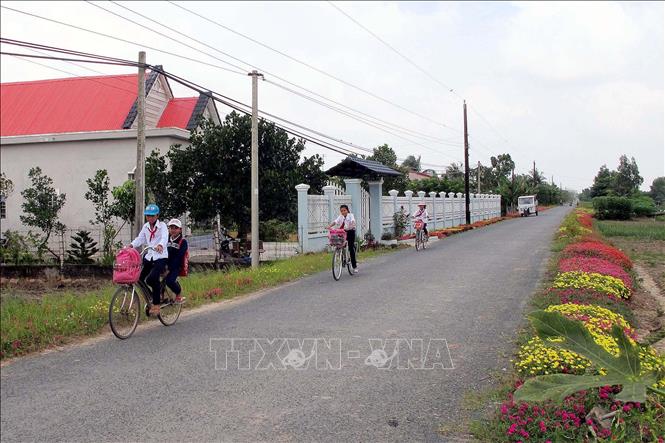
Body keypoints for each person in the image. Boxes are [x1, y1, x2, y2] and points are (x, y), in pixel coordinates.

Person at [130, 203, 168, 316]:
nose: (150, 218)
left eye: (152, 215)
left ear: (157, 216)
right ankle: (152, 295)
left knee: (151, 279)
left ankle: (156, 304)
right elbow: (140, 238)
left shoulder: (162, 226)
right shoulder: (146, 226)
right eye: (148, 216)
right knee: (139, 278)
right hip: (149, 256)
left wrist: (161, 245)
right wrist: (131, 246)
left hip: (160, 256)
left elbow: (165, 237)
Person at [327, 204, 358, 274]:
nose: (343, 212)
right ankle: (343, 258)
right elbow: (335, 222)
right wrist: (329, 226)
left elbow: (353, 221)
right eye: (341, 211)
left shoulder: (351, 215)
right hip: (343, 231)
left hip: (350, 231)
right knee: (340, 244)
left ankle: (354, 266)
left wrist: (352, 225)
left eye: (344, 210)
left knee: (350, 247)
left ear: (347, 210)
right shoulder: (340, 217)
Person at [165, 218, 188, 304]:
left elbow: (179, 257)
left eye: (175, 228)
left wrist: (169, 268)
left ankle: (178, 293)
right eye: (171, 228)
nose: (173, 230)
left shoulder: (183, 241)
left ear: (180, 229)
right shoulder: (165, 239)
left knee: (169, 281)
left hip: (176, 266)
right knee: (155, 278)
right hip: (164, 264)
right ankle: (161, 296)